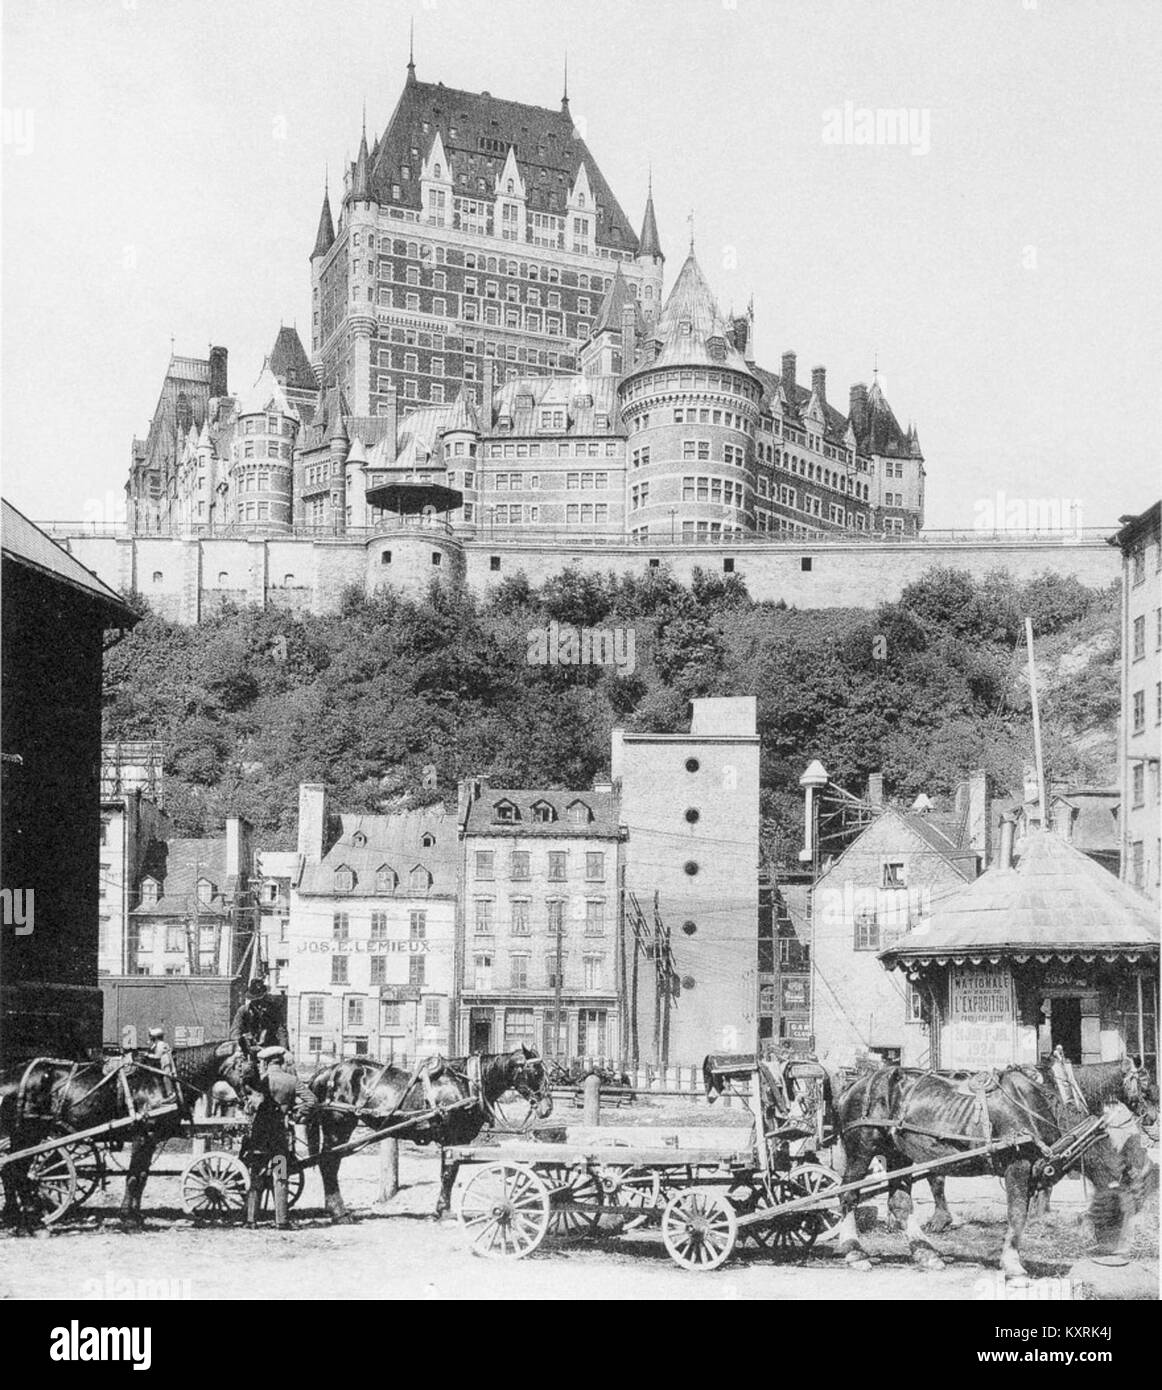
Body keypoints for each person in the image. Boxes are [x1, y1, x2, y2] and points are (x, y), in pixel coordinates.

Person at [230, 978, 289, 1056]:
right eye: (255, 1001)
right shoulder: (243, 1011)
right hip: (248, 1049)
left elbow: (281, 1031)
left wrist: (283, 1050)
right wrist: (242, 1042)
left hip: (269, 1049)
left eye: (261, 1000)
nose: (259, 1005)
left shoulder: (273, 1010)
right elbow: (235, 1031)